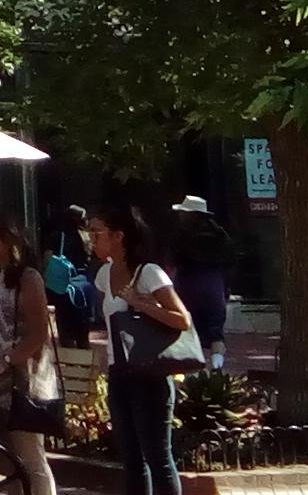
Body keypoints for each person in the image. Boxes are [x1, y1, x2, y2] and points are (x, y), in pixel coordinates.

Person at [91, 206, 192, 495]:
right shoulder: (104, 274)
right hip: (119, 371)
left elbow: (182, 319)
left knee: (158, 458)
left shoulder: (148, 273)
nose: (92, 240)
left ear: (118, 236)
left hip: (149, 374)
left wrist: (142, 303)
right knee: (132, 459)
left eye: (97, 234)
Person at [0, 215, 60, 495]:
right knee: (9, 460)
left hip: (21, 383)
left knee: (30, 458)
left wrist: (7, 361)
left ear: (8, 240)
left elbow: (38, 334)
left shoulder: (28, 278)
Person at [169, 197, 234, 370]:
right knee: (216, 333)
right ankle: (217, 367)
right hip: (214, 285)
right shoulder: (220, 235)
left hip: (187, 285)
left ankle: (192, 375)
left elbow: (174, 259)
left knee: (187, 331)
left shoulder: (182, 235)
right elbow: (230, 262)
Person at [47, 204, 97, 348]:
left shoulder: (58, 236)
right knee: (83, 325)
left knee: (64, 325)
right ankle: (84, 363)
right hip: (84, 283)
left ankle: (68, 364)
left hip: (63, 284)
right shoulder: (87, 237)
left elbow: (48, 258)